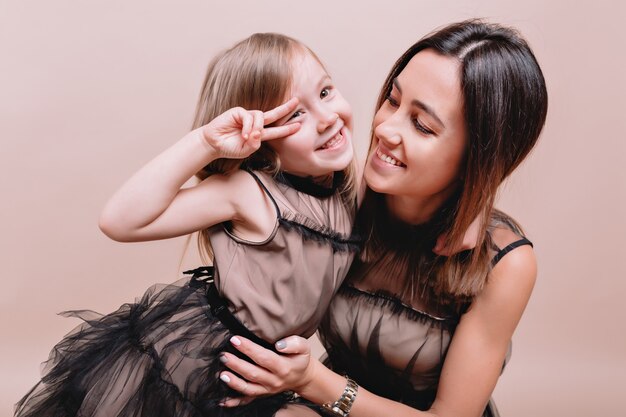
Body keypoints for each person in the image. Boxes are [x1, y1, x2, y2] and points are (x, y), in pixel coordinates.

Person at [14, 33, 361, 417]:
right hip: (201, 366)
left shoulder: (344, 190)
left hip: (271, 372)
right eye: (295, 114)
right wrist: (206, 144)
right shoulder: (248, 193)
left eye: (326, 92)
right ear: (260, 139)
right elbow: (119, 221)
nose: (328, 117)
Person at [217, 20, 549, 417]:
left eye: (422, 125)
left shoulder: (505, 263)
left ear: (477, 158)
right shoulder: (341, 196)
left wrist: (310, 380)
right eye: (393, 100)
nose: (384, 128)